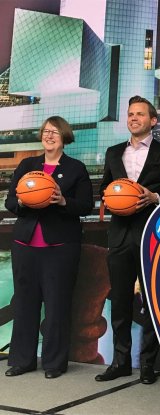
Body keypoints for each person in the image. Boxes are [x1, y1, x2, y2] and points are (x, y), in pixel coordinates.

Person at [95, 96, 160, 384]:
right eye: (130, 114)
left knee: (152, 303)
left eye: (140, 114)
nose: (134, 118)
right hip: (119, 234)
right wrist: (111, 196)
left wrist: (155, 197)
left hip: (153, 235)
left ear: (153, 121)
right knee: (119, 300)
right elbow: (105, 187)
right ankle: (120, 362)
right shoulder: (113, 152)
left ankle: (148, 365)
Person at [5, 116, 93, 379]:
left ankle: (54, 363)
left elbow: (86, 206)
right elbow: (11, 201)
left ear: (64, 136)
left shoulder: (76, 168)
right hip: (25, 245)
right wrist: (22, 201)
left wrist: (63, 201)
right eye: (45, 131)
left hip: (60, 247)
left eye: (55, 132)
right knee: (24, 304)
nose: (49, 136)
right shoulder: (27, 165)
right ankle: (22, 359)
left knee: (56, 305)